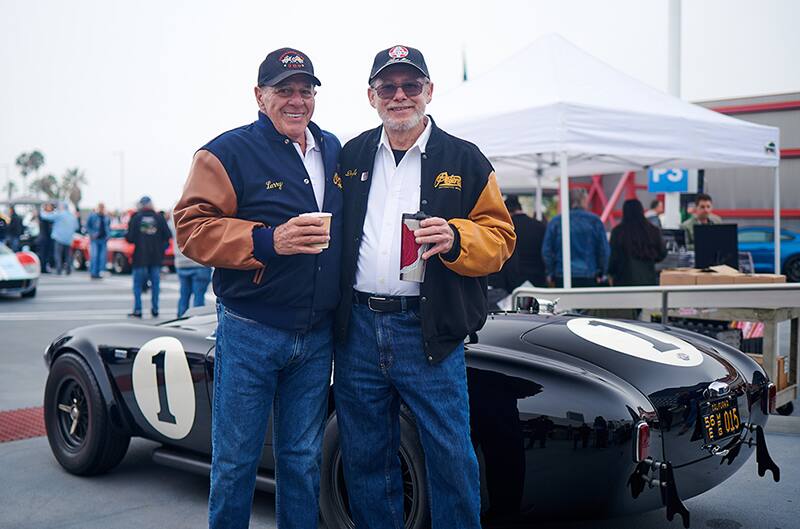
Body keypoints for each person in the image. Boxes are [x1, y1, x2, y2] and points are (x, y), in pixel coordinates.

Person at [333, 45, 515, 529]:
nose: (399, 96)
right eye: (387, 87)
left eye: (410, 85)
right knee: (365, 458)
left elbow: (501, 239)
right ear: (371, 96)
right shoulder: (350, 156)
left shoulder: (465, 158)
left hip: (428, 330)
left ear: (429, 92)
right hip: (357, 329)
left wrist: (458, 236)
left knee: (451, 456)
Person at [174, 47, 341, 529]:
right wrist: (269, 240)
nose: (296, 100)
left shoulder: (332, 148)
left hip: (315, 336)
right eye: (283, 90)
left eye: (305, 91)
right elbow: (190, 229)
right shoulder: (225, 152)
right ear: (259, 96)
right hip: (251, 331)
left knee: (302, 461)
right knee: (235, 462)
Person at [542, 188, 610, 287]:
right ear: (584, 201)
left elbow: (546, 251)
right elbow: (604, 250)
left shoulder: (556, 222)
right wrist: (602, 271)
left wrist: (551, 272)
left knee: (564, 302)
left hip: (562, 274)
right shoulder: (595, 221)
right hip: (589, 274)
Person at [125, 196, 170, 318]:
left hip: (140, 257)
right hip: (155, 258)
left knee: (138, 286)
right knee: (155, 285)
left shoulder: (136, 218)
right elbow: (168, 236)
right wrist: (161, 249)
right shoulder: (159, 218)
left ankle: (138, 310)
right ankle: (155, 309)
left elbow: (129, 238)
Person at [608, 199, 667, 286]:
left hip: (623, 281)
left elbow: (613, 258)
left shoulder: (618, 232)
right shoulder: (653, 230)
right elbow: (662, 253)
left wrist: (610, 273)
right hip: (648, 279)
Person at [167, 213, 212, 317]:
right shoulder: (202, 212)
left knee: (184, 296)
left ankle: (180, 321)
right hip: (199, 261)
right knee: (199, 298)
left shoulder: (175, 214)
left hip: (181, 261)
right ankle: (197, 322)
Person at [39, 201, 79, 275]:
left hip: (59, 238)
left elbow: (46, 217)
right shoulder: (72, 216)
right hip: (69, 239)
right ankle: (68, 270)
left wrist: (41, 211)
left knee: (58, 254)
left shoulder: (59, 214)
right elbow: (76, 227)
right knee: (68, 255)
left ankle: (59, 270)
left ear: (62, 207)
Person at [86, 202, 111, 279]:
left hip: (103, 239)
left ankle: (99, 272)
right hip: (95, 239)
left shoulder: (106, 217)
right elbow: (87, 226)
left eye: (103, 207)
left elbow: (108, 227)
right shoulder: (93, 216)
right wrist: (91, 234)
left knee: (102, 257)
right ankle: (93, 272)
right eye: (100, 207)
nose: (101, 209)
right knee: (94, 256)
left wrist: (108, 235)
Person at [36, 203, 55, 272]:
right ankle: (43, 268)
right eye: (49, 207)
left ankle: (44, 267)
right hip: (44, 238)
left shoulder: (47, 216)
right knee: (43, 254)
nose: (50, 208)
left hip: (47, 238)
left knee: (47, 254)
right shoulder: (44, 216)